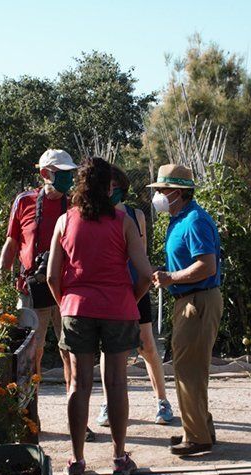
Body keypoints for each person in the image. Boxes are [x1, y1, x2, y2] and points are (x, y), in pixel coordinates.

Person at [47, 157, 153, 475]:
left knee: (78, 384)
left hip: (77, 309)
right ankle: (120, 458)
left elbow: (52, 277)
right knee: (117, 382)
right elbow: (146, 275)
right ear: (109, 186)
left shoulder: (65, 221)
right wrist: (127, 301)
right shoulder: (124, 222)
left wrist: (67, 304)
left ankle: (76, 462)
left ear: (79, 185)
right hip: (118, 309)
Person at [0, 149, 93, 441]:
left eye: (68, 172)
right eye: (60, 172)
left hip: (66, 291)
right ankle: (28, 419)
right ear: (44, 174)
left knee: (71, 354)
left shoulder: (74, 204)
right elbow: (12, 243)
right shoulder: (24, 201)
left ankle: (78, 420)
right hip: (29, 290)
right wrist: (1, 280)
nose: (66, 178)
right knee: (29, 357)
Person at [148, 164, 223, 456]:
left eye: (162, 191)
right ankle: (200, 429)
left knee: (188, 370)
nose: (158, 196)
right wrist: (165, 274)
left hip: (198, 300)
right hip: (189, 299)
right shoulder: (179, 219)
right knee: (189, 367)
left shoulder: (194, 221)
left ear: (177, 192)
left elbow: (207, 265)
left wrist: (170, 278)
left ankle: (198, 438)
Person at [95, 165, 174, 428]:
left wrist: (144, 284)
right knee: (108, 348)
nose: (111, 191)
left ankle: (162, 401)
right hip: (109, 291)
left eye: (115, 186)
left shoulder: (135, 214)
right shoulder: (95, 215)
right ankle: (108, 404)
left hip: (135, 287)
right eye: (108, 186)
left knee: (147, 345)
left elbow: (141, 254)